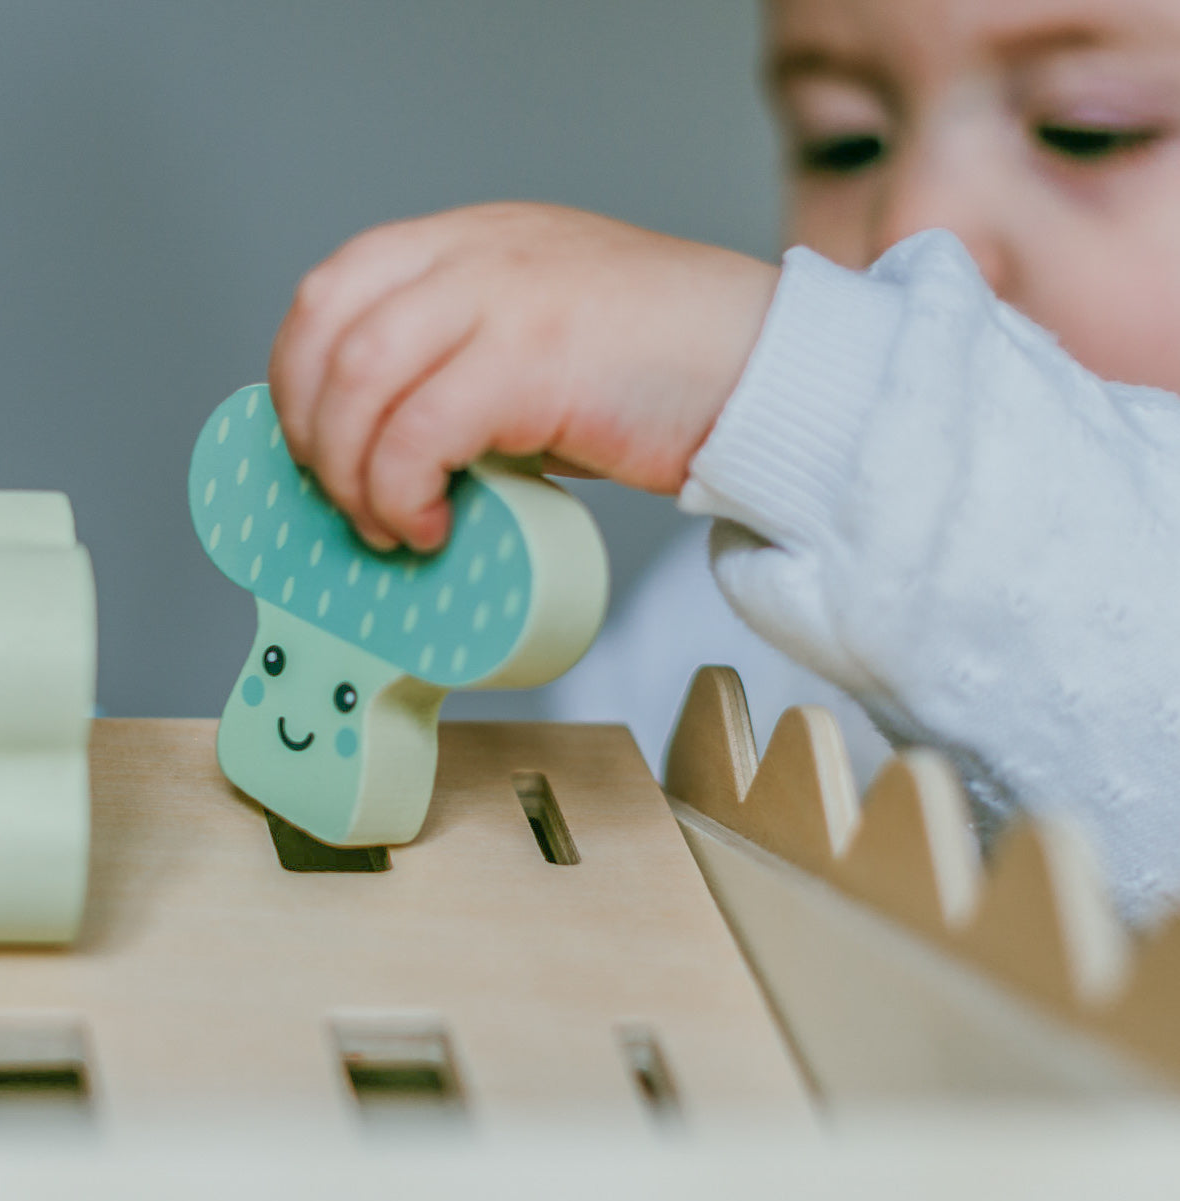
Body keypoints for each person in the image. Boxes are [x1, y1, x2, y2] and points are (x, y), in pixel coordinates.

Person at [266, 0, 1180, 924]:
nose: (912, 235)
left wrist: (782, 368)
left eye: (1090, 130)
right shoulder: (726, 622)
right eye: (844, 141)